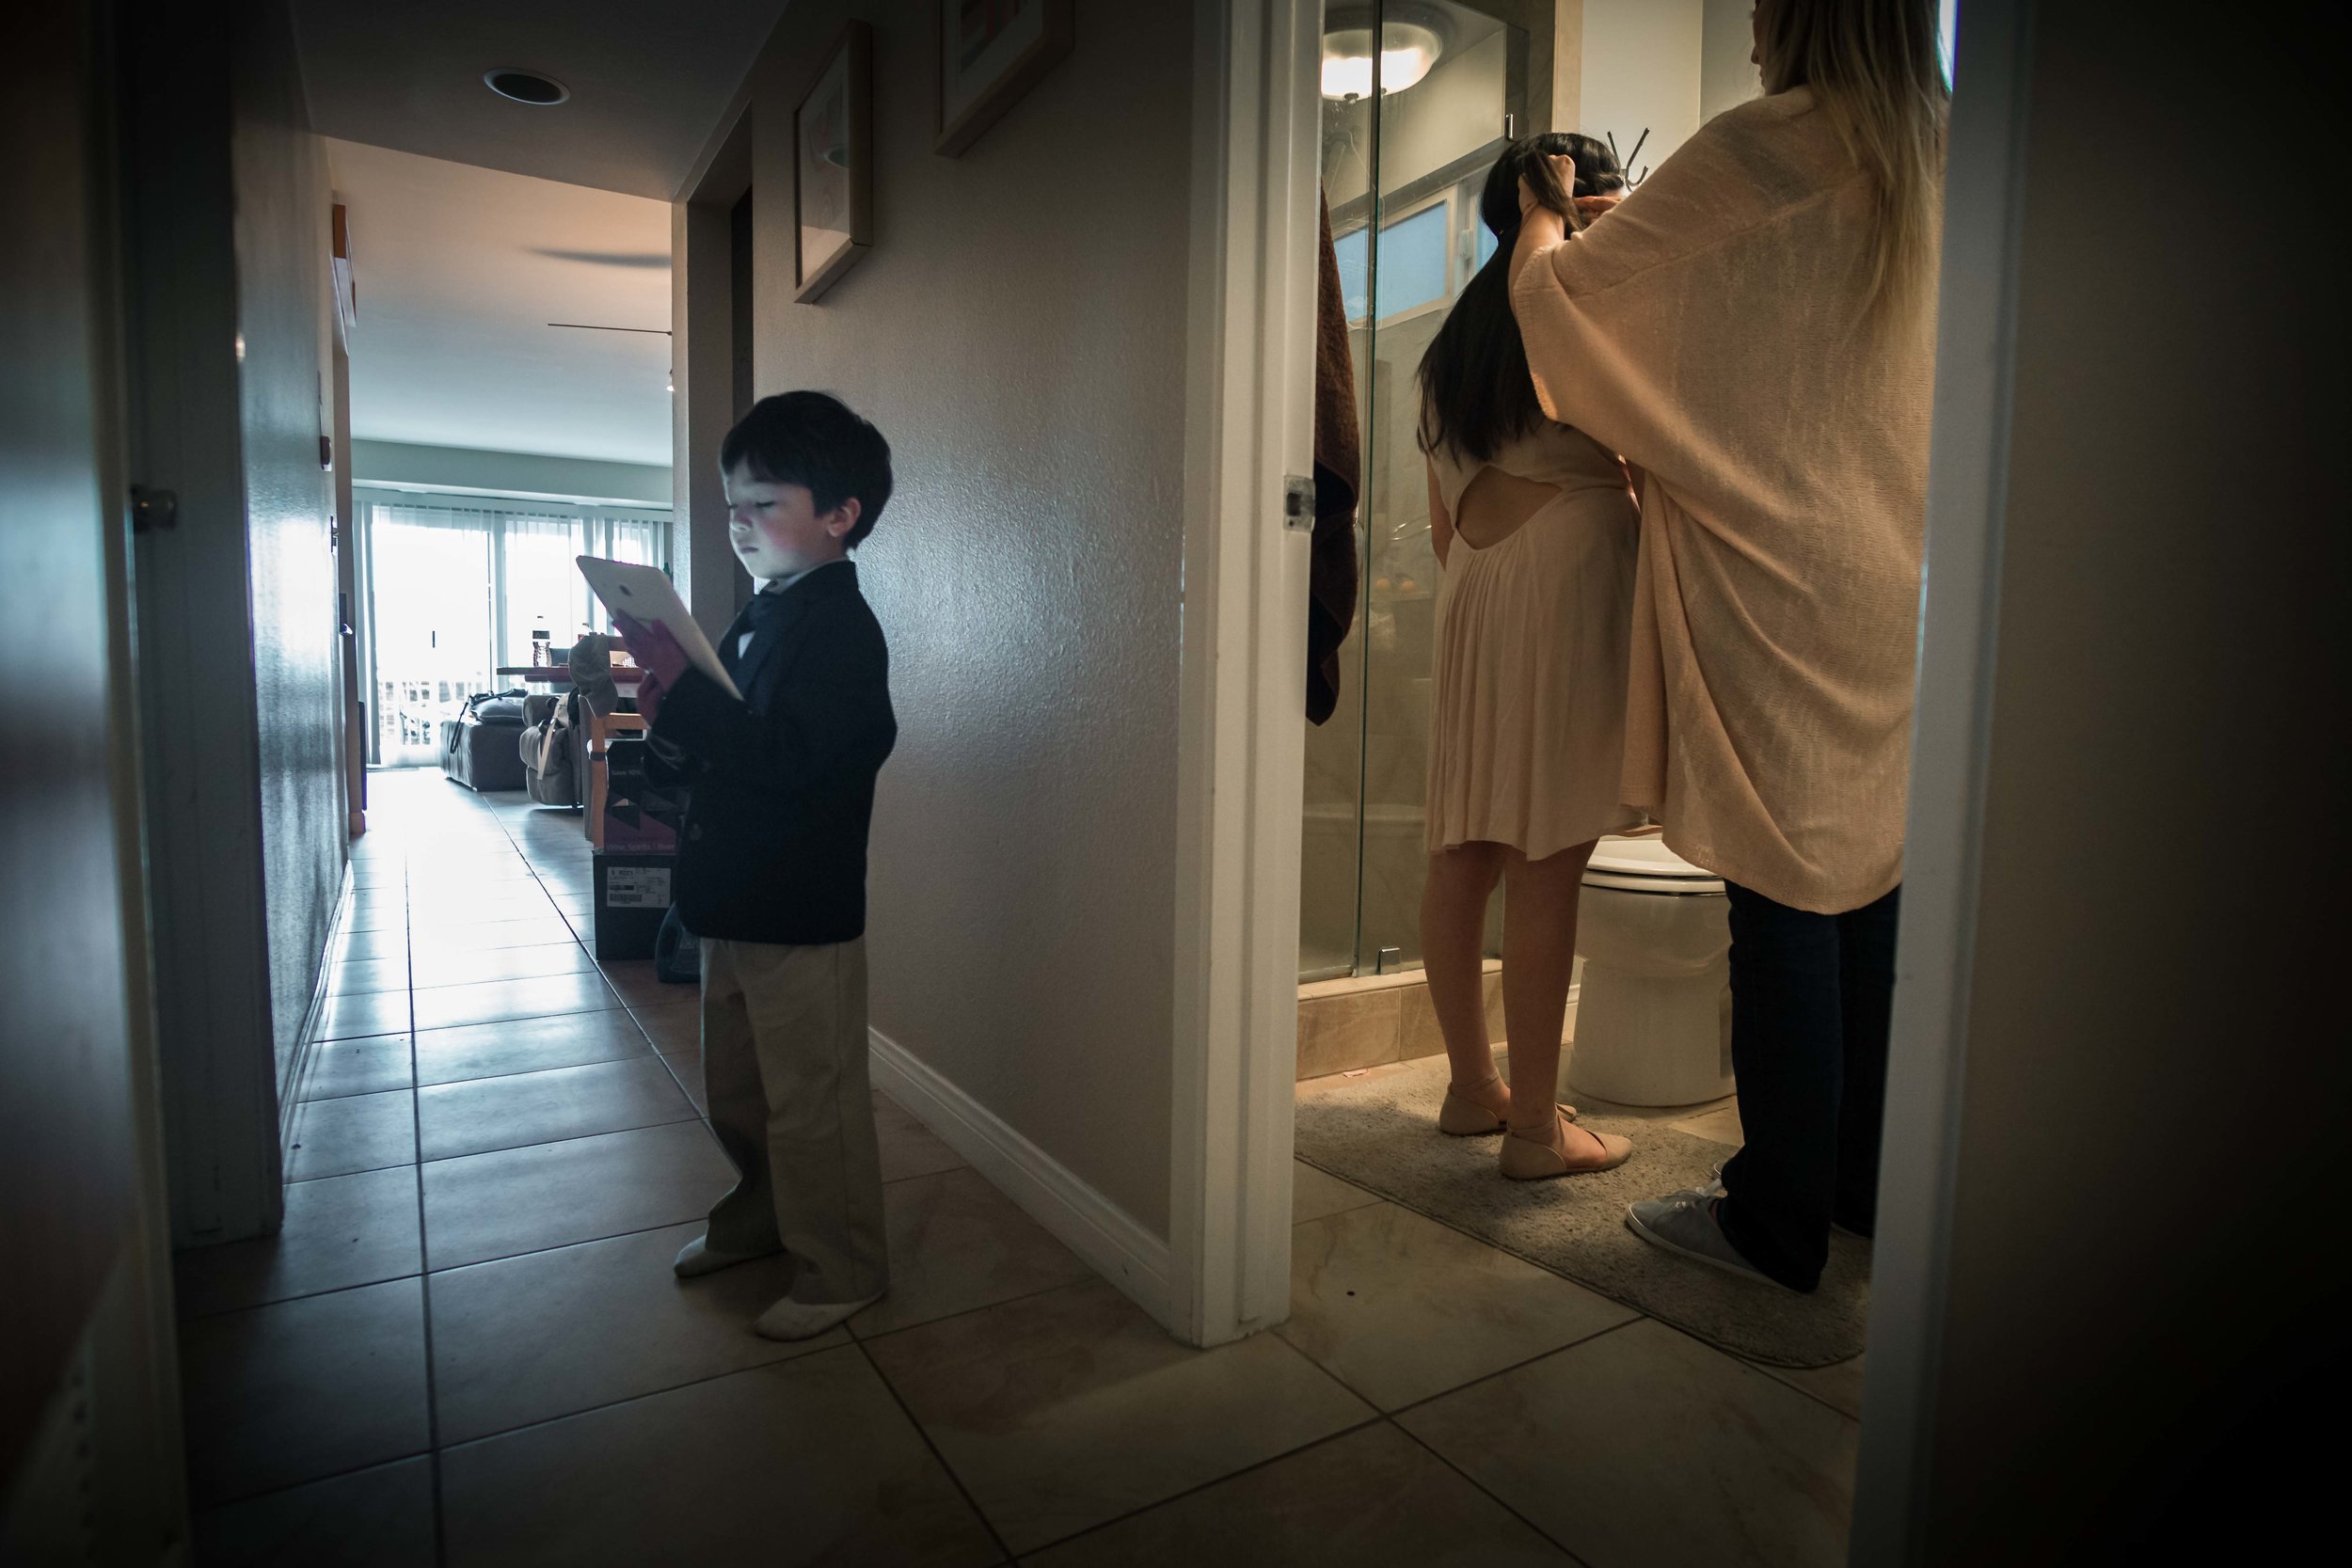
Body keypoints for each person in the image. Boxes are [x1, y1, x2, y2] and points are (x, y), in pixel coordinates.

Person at [1507, 0, 1947, 1288]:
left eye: (1762, 8)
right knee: (1869, 878)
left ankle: (1774, 1215)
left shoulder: (1769, 143)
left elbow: (1568, 312)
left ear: (1805, 13)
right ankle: (1860, 1186)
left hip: (1773, 570)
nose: (1752, 34)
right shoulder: (1949, 149)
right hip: (1894, 574)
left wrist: (1544, 212)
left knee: (1777, 886)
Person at [614, 390, 898, 1339]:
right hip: (732, 894)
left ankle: (843, 1263)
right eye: (732, 503)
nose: (739, 523)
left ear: (839, 514)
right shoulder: (757, 616)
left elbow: (795, 756)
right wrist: (668, 717)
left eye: (762, 502)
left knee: (812, 1100)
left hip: (797, 902)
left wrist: (692, 709)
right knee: (739, 1086)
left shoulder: (841, 629)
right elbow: (723, 741)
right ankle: (761, 1217)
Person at [1416, 133, 1638, 1180]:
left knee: (1464, 846)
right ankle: (1538, 1127)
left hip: (1474, 580)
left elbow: (1435, 524)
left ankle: (1471, 1087)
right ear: (1579, 199)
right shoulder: (1576, 294)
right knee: (1548, 851)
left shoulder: (1452, 341)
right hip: (1561, 575)